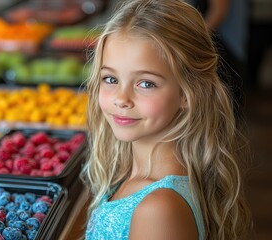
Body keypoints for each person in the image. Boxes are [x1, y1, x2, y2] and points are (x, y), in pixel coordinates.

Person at [81, 0, 252, 239]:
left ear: (186, 93)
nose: (121, 98)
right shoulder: (127, 172)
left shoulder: (158, 210)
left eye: (146, 83)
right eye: (110, 79)